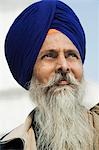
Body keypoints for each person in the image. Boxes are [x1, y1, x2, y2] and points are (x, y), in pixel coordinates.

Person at [0, 0, 99, 149]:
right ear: (29, 71)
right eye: (49, 56)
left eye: (71, 55)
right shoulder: (11, 146)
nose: (64, 66)